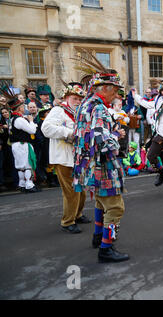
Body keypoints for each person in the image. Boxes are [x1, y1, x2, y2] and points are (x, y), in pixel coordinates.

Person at [72, 48, 129, 263]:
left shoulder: (85, 105)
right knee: (115, 207)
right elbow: (101, 140)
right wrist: (116, 134)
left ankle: (97, 236)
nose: (116, 95)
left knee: (100, 203)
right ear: (104, 88)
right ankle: (106, 248)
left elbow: (85, 135)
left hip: (88, 164)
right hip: (102, 165)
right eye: (114, 91)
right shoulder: (98, 109)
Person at [41, 81, 88, 234]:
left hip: (77, 157)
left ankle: (78, 214)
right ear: (67, 97)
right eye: (75, 98)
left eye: (80, 99)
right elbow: (46, 128)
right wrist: (68, 133)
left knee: (81, 189)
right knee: (71, 191)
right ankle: (68, 221)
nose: (78, 102)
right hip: (63, 157)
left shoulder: (78, 113)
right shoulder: (58, 110)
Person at [0, 85, 39, 193]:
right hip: (22, 144)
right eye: (23, 106)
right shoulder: (19, 120)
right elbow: (32, 131)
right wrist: (31, 121)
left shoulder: (12, 119)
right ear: (19, 108)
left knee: (20, 165)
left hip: (16, 145)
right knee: (27, 165)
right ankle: (29, 185)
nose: (25, 107)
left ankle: (22, 184)